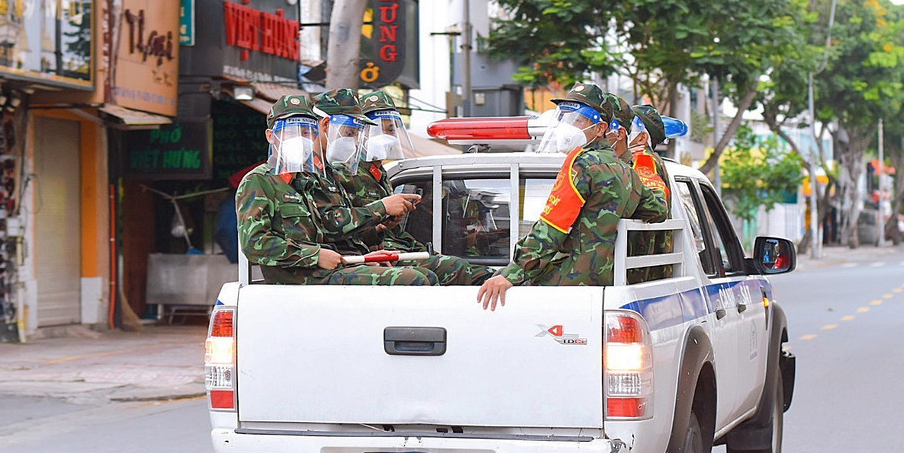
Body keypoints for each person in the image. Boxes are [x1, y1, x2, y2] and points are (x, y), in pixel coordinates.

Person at [476, 83, 651, 310]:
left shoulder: (581, 163)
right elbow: (656, 210)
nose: (568, 126)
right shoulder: (626, 169)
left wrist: (512, 273)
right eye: (566, 118)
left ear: (600, 128)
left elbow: (552, 227)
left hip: (568, 280)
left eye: (578, 120)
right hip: (603, 279)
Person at [235, 94, 435, 285]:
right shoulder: (259, 181)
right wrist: (315, 256)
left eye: (307, 132)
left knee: (425, 276)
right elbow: (254, 244)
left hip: (328, 269)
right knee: (412, 280)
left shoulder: (305, 181)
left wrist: (359, 255)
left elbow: (326, 232)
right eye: (293, 131)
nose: (302, 138)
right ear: (271, 136)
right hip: (299, 278)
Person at [325, 90, 495, 285]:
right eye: (381, 129)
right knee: (442, 272)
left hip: (393, 246)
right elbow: (340, 225)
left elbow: (389, 230)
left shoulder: (380, 175)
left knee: (474, 271)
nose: (389, 136)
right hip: (370, 251)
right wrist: (381, 213)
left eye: (391, 129)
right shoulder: (347, 172)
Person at [628, 104, 675, 282]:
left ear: (642, 137)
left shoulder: (643, 159)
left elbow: (654, 207)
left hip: (639, 268)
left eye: (627, 127)